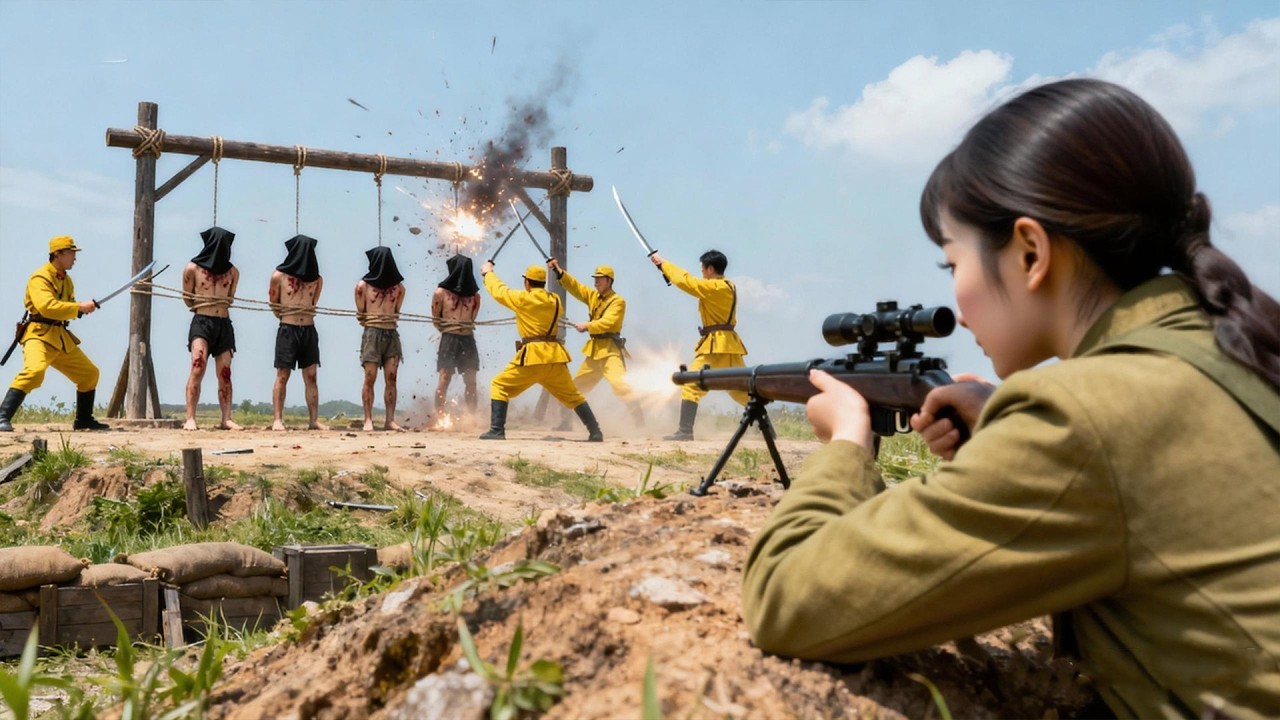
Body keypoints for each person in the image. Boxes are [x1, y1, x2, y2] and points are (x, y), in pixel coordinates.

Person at [741, 79, 1280, 719]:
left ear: (1030, 251)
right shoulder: (1231, 347)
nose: (955, 293)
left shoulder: (1079, 416)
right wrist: (1005, 417)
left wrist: (846, 443)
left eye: (951, 264)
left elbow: (786, 598)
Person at [477, 261, 603, 442]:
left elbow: (499, 291)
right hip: (554, 358)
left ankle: (497, 430)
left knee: (499, 386)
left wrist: (487, 273)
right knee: (574, 396)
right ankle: (595, 431)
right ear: (543, 283)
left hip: (532, 357)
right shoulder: (555, 300)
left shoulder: (523, 299)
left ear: (527, 282)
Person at [0, 236, 109, 432]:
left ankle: (83, 419)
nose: (74, 257)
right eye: (71, 253)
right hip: (39, 335)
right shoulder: (39, 277)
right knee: (34, 372)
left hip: (60, 337)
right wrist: (78, 307)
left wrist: (80, 311)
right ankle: (2, 417)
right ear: (58, 254)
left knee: (89, 374)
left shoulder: (67, 281)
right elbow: (47, 306)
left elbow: (66, 308)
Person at [649, 249, 748, 440]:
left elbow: (686, 281)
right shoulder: (728, 285)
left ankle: (685, 431)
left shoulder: (715, 287)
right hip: (729, 345)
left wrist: (663, 264)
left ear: (710, 269)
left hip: (715, 344)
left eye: (703, 268)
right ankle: (768, 430)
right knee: (740, 389)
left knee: (691, 383)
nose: (701, 272)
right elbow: (688, 281)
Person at [546, 259, 645, 430]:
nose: (596, 281)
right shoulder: (593, 296)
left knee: (620, 385)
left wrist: (587, 325)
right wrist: (559, 272)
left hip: (610, 351)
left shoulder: (618, 301)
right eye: (595, 278)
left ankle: (639, 422)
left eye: (600, 278)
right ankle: (566, 422)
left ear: (609, 281)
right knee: (574, 388)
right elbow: (576, 287)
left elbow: (608, 323)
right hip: (594, 352)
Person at [181, 226, 241, 431]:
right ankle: (190, 418)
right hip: (202, 322)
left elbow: (230, 298)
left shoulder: (233, 272)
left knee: (225, 373)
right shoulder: (192, 268)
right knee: (198, 366)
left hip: (223, 323)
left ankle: (226, 418)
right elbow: (187, 298)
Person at [268, 234, 326, 431]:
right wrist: (287, 316)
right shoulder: (279, 276)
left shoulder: (317, 280)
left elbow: (314, 303)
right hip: (287, 329)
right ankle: (277, 419)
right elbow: (273, 303)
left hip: (309, 329)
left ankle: (313, 420)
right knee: (282, 374)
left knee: (311, 375)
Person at [355, 246, 405, 432]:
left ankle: (389, 420)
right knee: (370, 377)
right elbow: (362, 313)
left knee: (392, 378)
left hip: (391, 333)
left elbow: (396, 312)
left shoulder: (399, 288)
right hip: (372, 333)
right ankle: (368, 419)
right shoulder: (363, 286)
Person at [432, 253, 481, 420]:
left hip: (467, 339)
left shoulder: (475, 296)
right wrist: (450, 328)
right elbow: (436, 319)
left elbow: (472, 318)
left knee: (471, 380)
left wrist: (461, 327)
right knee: (445, 378)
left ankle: (471, 418)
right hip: (449, 339)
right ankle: (439, 418)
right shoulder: (441, 293)